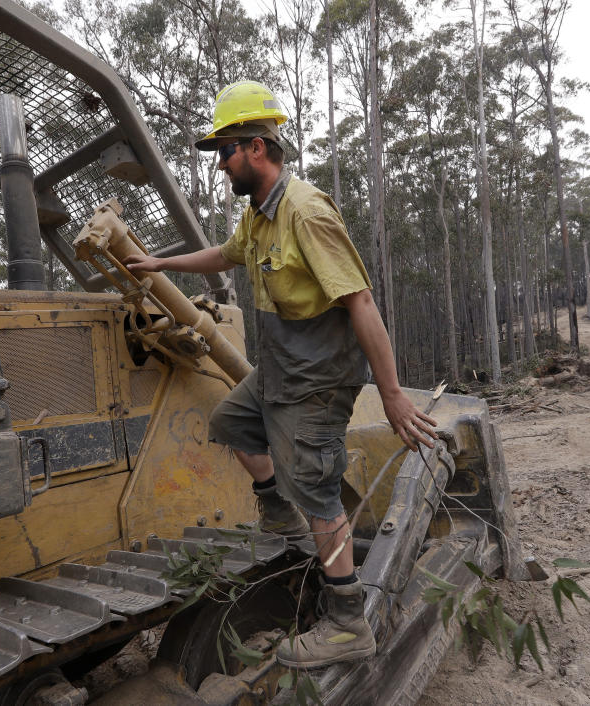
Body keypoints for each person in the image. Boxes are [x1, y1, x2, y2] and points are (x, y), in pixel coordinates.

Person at [124, 81, 438, 669]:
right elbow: (225, 254)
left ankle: (348, 623)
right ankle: (282, 518)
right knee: (232, 422)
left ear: (257, 149)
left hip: (318, 381)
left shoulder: (307, 212)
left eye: (226, 152)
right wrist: (162, 261)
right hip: (278, 372)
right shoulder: (258, 216)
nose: (221, 166)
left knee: (319, 493)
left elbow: (362, 304)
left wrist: (391, 394)